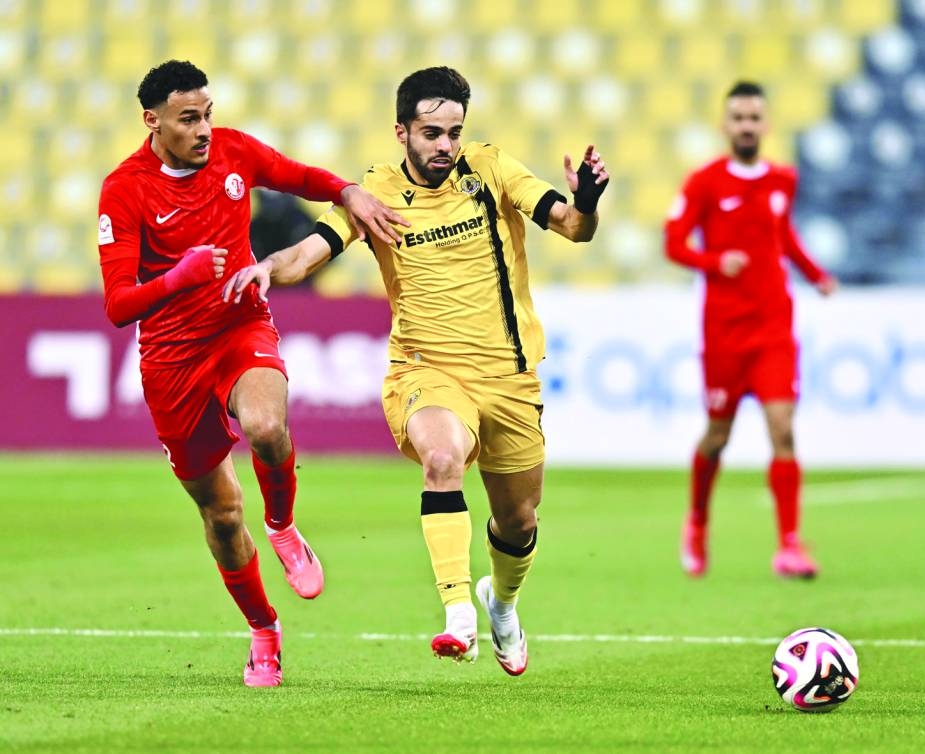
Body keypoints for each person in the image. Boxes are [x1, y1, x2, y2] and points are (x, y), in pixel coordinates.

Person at [223, 66, 609, 676]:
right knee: (442, 458)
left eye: (454, 132)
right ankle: (458, 614)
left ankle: (501, 603)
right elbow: (312, 251)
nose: (445, 145)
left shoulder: (490, 169)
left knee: (519, 521)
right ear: (401, 132)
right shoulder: (374, 194)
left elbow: (573, 227)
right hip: (425, 372)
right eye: (432, 133)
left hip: (508, 375)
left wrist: (585, 199)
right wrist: (270, 267)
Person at [97, 60, 406, 687]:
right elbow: (118, 305)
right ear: (152, 121)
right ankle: (264, 629)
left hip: (239, 328)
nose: (204, 129)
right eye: (189, 119)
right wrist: (178, 276)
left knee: (267, 427)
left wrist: (347, 190)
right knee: (222, 515)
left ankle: (284, 527)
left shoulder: (233, 152)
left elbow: (299, 176)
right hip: (171, 361)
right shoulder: (124, 189)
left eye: (208, 114)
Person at [664, 80, 837, 580]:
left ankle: (789, 545)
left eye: (754, 118)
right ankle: (697, 522)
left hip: (773, 328)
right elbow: (673, 244)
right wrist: (716, 262)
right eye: (738, 117)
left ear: (766, 124)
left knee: (783, 429)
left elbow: (783, 236)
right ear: (725, 124)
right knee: (718, 436)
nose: (746, 125)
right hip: (725, 332)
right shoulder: (704, 183)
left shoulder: (783, 179)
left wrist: (816, 275)